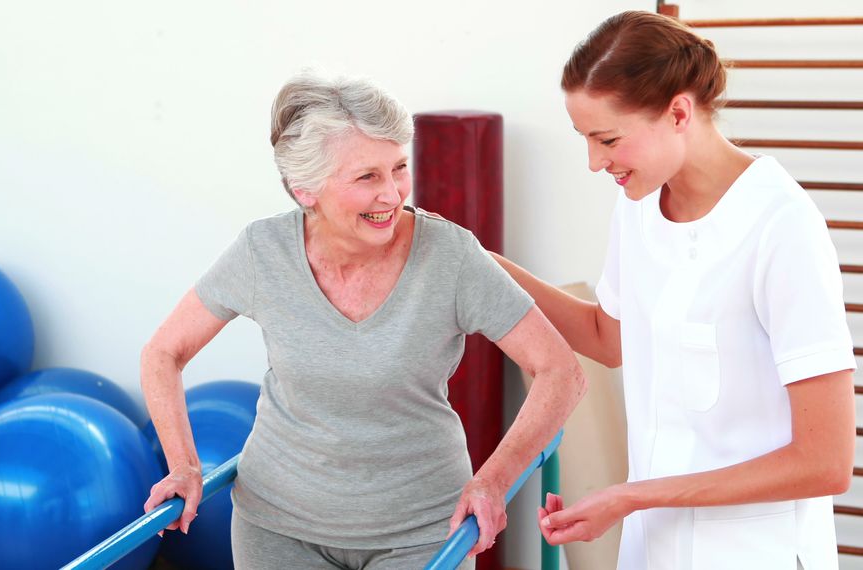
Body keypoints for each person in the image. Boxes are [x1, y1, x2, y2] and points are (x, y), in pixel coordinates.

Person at [140, 71, 587, 569]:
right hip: (277, 528)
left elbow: (561, 371)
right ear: (305, 189)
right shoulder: (261, 252)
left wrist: (493, 480)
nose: (393, 194)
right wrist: (183, 465)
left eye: (398, 168)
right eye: (367, 177)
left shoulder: (451, 257)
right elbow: (164, 352)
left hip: (423, 532)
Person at [489, 11, 856, 570]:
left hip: (759, 555)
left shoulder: (780, 224)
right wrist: (482, 263)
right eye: (585, 139)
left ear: (679, 112)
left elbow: (825, 461)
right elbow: (609, 338)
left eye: (607, 138)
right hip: (653, 548)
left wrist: (631, 496)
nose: (594, 162)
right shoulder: (638, 205)